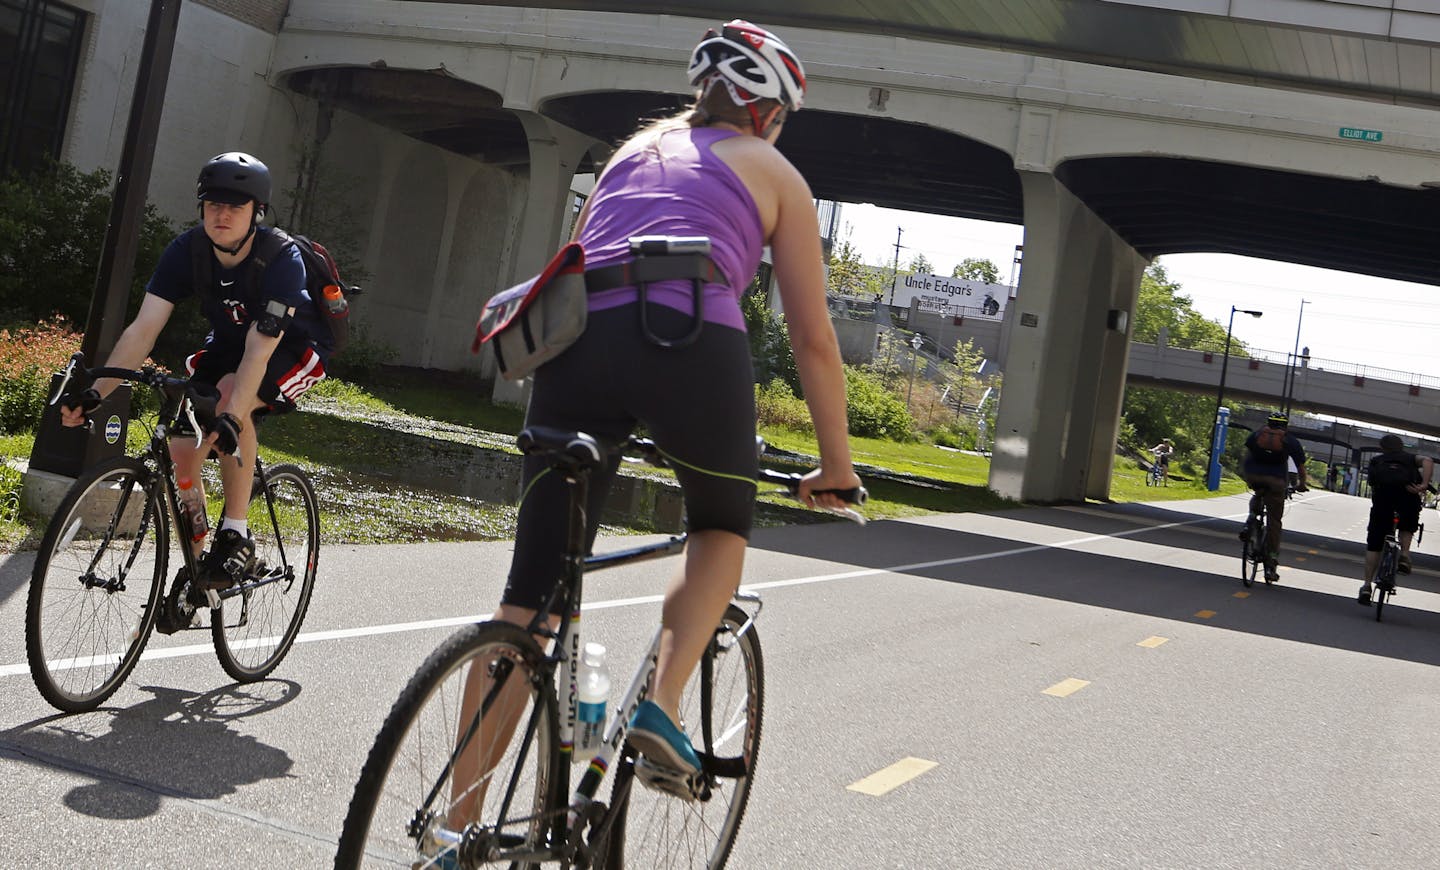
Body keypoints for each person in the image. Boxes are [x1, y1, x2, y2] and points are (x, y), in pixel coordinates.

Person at [458, 19, 860, 809]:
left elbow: (580, 255)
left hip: (575, 341)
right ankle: (661, 704)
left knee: (528, 601)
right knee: (718, 528)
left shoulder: (630, 156)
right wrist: (837, 466)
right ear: (768, 112)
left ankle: (454, 826)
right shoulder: (775, 171)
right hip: (688, 338)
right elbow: (813, 339)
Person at [60, 151, 330, 589]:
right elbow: (142, 330)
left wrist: (231, 416)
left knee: (227, 400)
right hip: (228, 343)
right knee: (184, 452)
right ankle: (198, 556)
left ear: (257, 213)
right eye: (213, 204)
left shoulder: (280, 259)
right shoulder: (187, 251)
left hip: (293, 349)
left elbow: (259, 354)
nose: (222, 214)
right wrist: (96, 391)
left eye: (235, 206)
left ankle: (236, 532)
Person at [1357, 434, 1432, 604]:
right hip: (1407, 497)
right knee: (1408, 524)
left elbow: (1372, 482)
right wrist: (1424, 484)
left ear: (1383, 447)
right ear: (1401, 446)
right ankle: (1404, 554)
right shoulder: (1411, 458)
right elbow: (1428, 460)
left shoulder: (1377, 460)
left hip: (1383, 501)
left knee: (1374, 544)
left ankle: (1367, 586)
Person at [1240, 412, 1308, 581]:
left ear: (1268, 423)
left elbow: (1246, 454)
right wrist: (1301, 484)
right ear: (1285, 426)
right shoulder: (1289, 440)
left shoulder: (1257, 434)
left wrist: (1248, 474)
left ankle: (1250, 520)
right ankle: (1270, 565)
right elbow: (1300, 468)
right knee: (1274, 522)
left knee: (1258, 493)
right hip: (1276, 481)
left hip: (1253, 475)